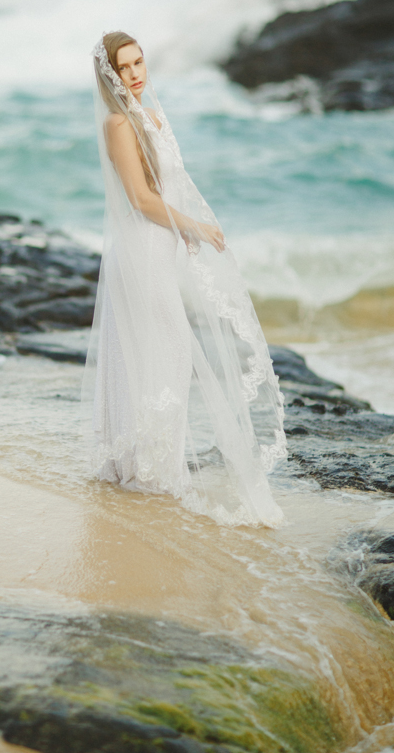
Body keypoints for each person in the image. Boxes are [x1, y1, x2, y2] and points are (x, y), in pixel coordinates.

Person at [81, 31, 285, 528]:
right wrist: (193, 226)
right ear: (110, 76)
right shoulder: (118, 124)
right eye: (124, 67)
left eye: (139, 62)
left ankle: (147, 464)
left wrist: (184, 230)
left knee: (158, 355)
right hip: (142, 251)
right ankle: (151, 470)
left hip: (160, 246)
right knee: (169, 352)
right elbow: (141, 201)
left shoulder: (151, 116)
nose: (135, 73)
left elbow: (169, 187)